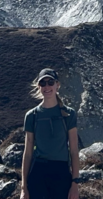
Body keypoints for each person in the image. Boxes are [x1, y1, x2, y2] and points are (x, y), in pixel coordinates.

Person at [20, 68, 81, 199]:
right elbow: (28, 153)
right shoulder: (32, 116)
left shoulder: (68, 114)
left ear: (57, 85)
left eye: (50, 82)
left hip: (61, 173)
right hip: (38, 173)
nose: (47, 86)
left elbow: (74, 151)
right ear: (39, 87)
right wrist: (24, 188)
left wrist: (75, 184)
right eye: (43, 83)